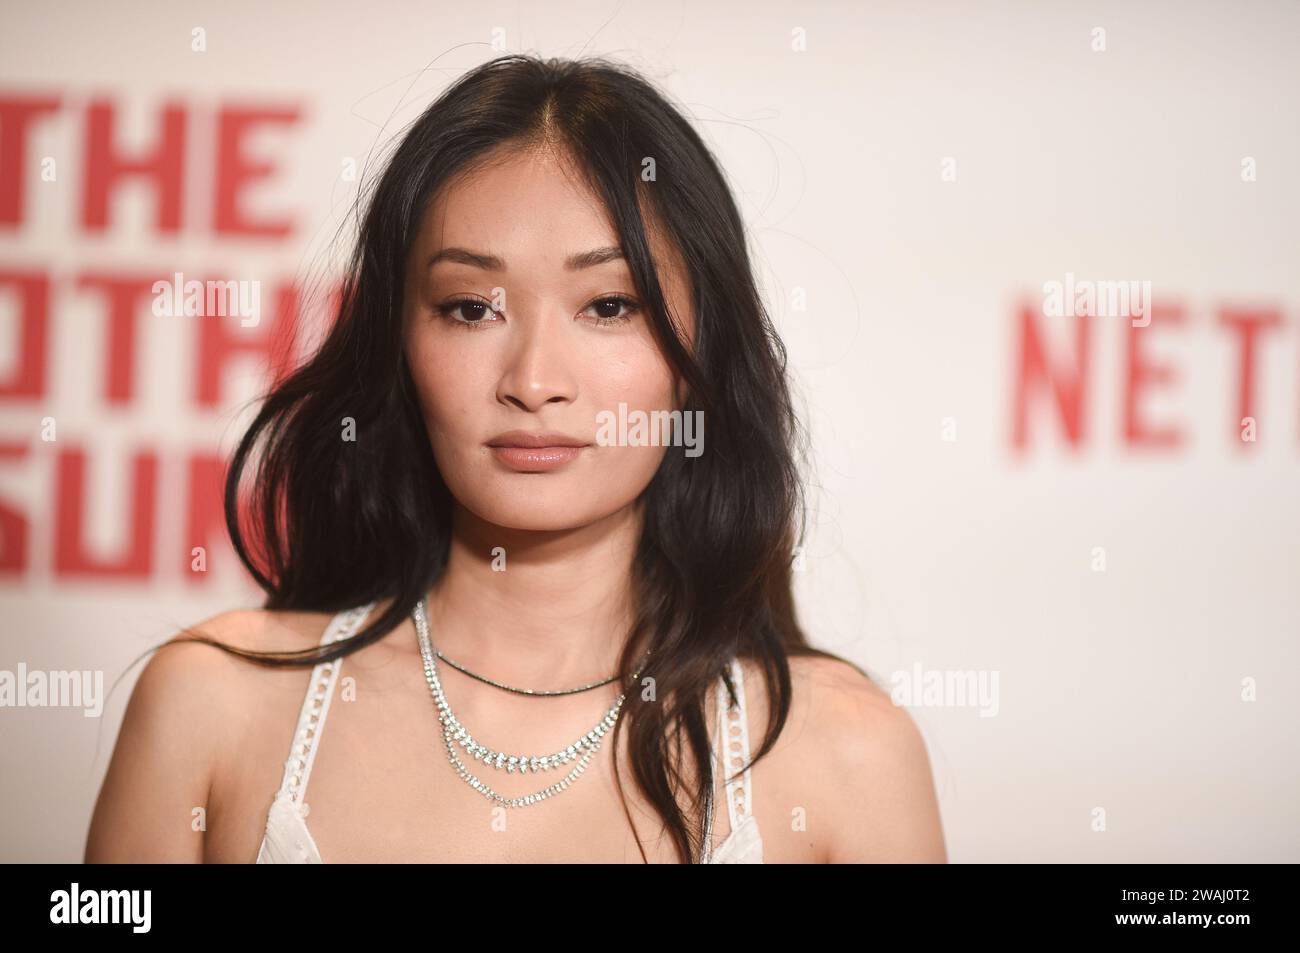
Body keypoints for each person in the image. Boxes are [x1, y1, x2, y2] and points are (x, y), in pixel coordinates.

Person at [85, 53, 946, 864]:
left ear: (702, 357)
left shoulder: (847, 756)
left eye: (609, 305)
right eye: (469, 308)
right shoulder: (212, 703)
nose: (534, 380)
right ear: (399, 343)